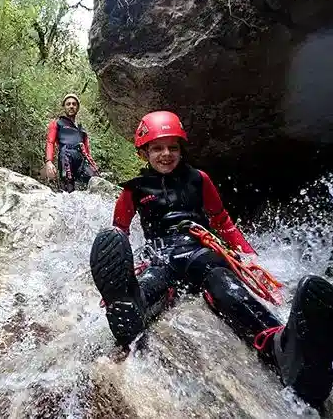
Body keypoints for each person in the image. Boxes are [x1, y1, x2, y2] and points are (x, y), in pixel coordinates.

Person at [89, 110, 333, 408]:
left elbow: (222, 221)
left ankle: (281, 348)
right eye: (157, 148)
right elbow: (121, 232)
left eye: (173, 147)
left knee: (224, 284)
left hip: (200, 248)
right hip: (160, 254)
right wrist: (122, 265)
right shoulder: (133, 190)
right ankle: (130, 304)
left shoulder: (198, 179)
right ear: (144, 152)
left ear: (181, 149)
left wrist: (250, 258)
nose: (166, 154)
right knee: (153, 280)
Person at [45, 94, 99, 192]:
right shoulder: (57, 123)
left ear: (77, 107)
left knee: (95, 182)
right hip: (65, 157)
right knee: (68, 189)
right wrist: (49, 161)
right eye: (68, 104)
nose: (71, 106)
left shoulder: (82, 130)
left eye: (74, 104)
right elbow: (50, 142)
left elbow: (87, 152)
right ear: (64, 107)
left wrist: (93, 165)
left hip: (81, 160)